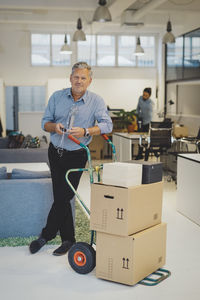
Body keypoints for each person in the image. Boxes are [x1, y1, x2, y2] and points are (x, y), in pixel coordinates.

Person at [29, 62, 113, 255]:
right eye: (76, 77)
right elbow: (45, 123)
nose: (79, 81)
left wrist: (86, 130)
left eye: (83, 78)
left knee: (64, 195)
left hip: (77, 154)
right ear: (70, 78)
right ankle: (68, 240)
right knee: (61, 196)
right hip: (55, 152)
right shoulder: (57, 97)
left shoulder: (96, 101)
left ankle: (46, 235)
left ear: (89, 81)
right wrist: (54, 127)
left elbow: (107, 126)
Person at [135, 87, 154, 160]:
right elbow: (137, 109)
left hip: (147, 123)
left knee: (147, 140)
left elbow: (150, 114)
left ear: (149, 96)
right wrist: (137, 118)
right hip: (140, 121)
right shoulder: (140, 98)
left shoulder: (150, 103)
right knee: (140, 139)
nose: (144, 96)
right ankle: (139, 155)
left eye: (146, 95)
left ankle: (146, 156)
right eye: (143, 94)